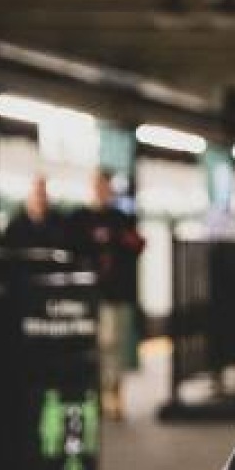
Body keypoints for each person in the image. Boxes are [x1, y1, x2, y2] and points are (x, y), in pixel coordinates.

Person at [71, 170, 145, 420]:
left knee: (114, 344)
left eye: (104, 186)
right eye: (96, 186)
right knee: (96, 346)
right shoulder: (79, 219)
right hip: (89, 294)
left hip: (116, 293)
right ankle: (98, 394)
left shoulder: (122, 218)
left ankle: (114, 393)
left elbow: (137, 246)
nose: (100, 191)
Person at [3, 175, 70, 250]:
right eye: (36, 194)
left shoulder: (60, 225)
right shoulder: (15, 225)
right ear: (29, 196)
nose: (39, 199)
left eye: (43, 194)